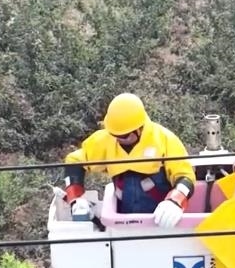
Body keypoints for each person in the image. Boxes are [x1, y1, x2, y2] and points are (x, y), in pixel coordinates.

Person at [62, 92, 196, 229]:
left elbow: (185, 176)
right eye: (115, 135)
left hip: (162, 221)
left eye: (124, 136)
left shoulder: (163, 139)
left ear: (139, 128)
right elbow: (74, 162)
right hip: (125, 222)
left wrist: (175, 200)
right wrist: (75, 199)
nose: (118, 139)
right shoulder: (106, 140)